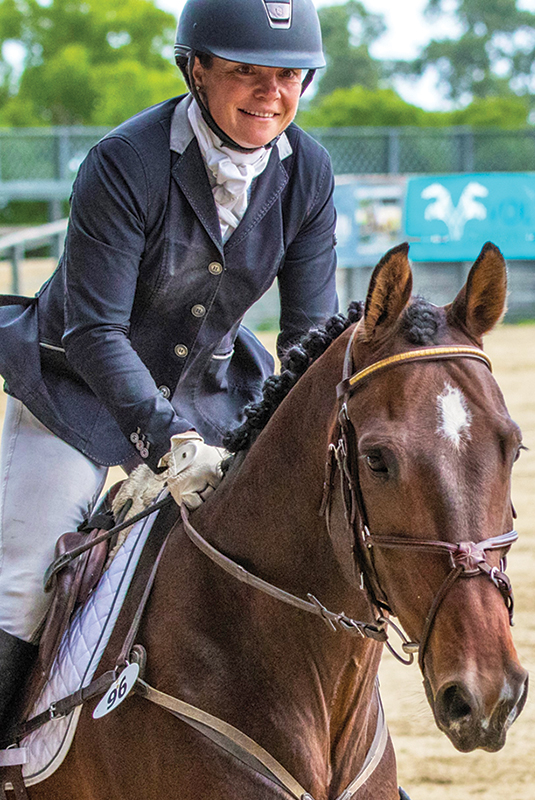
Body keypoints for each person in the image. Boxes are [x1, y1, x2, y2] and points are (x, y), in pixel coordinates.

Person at [0, 0, 338, 740]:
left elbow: (310, 335)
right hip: (78, 398)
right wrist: (169, 442)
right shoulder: (126, 162)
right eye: (244, 69)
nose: (269, 91)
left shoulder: (308, 173)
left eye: (287, 73)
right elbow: (94, 331)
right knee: (21, 579)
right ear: (196, 68)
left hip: (212, 396)